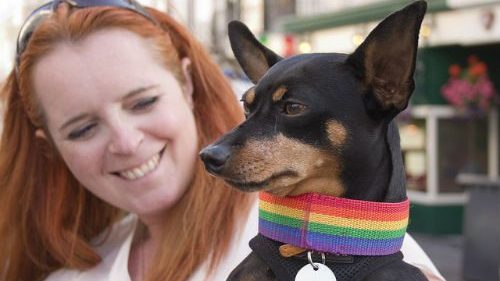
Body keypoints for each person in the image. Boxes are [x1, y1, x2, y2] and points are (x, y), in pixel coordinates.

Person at [0, 1, 444, 281]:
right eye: (82, 128)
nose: (126, 141)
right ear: (49, 146)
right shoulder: (68, 275)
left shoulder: (353, 240)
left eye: (142, 102)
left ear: (188, 85)